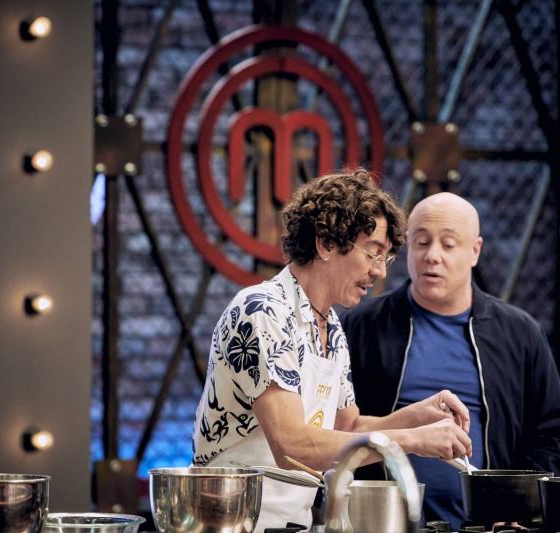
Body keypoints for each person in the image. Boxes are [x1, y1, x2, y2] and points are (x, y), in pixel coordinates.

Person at [192, 170, 473, 532]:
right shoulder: (263, 310)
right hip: (230, 520)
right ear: (326, 244)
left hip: (290, 521)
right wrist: (414, 441)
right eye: (373, 253)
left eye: (384, 258)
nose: (379, 272)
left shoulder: (332, 327)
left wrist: (417, 416)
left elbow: (347, 427)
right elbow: (293, 447)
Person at [341, 192, 560, 528]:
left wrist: (523, 507)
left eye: (448, 245)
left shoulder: (519, 333)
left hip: (490, 525)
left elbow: (551, 432)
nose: (432, 256)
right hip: (381, 522)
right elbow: (337, 426)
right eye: (421, 243)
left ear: (475, 251)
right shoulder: (361, 325)